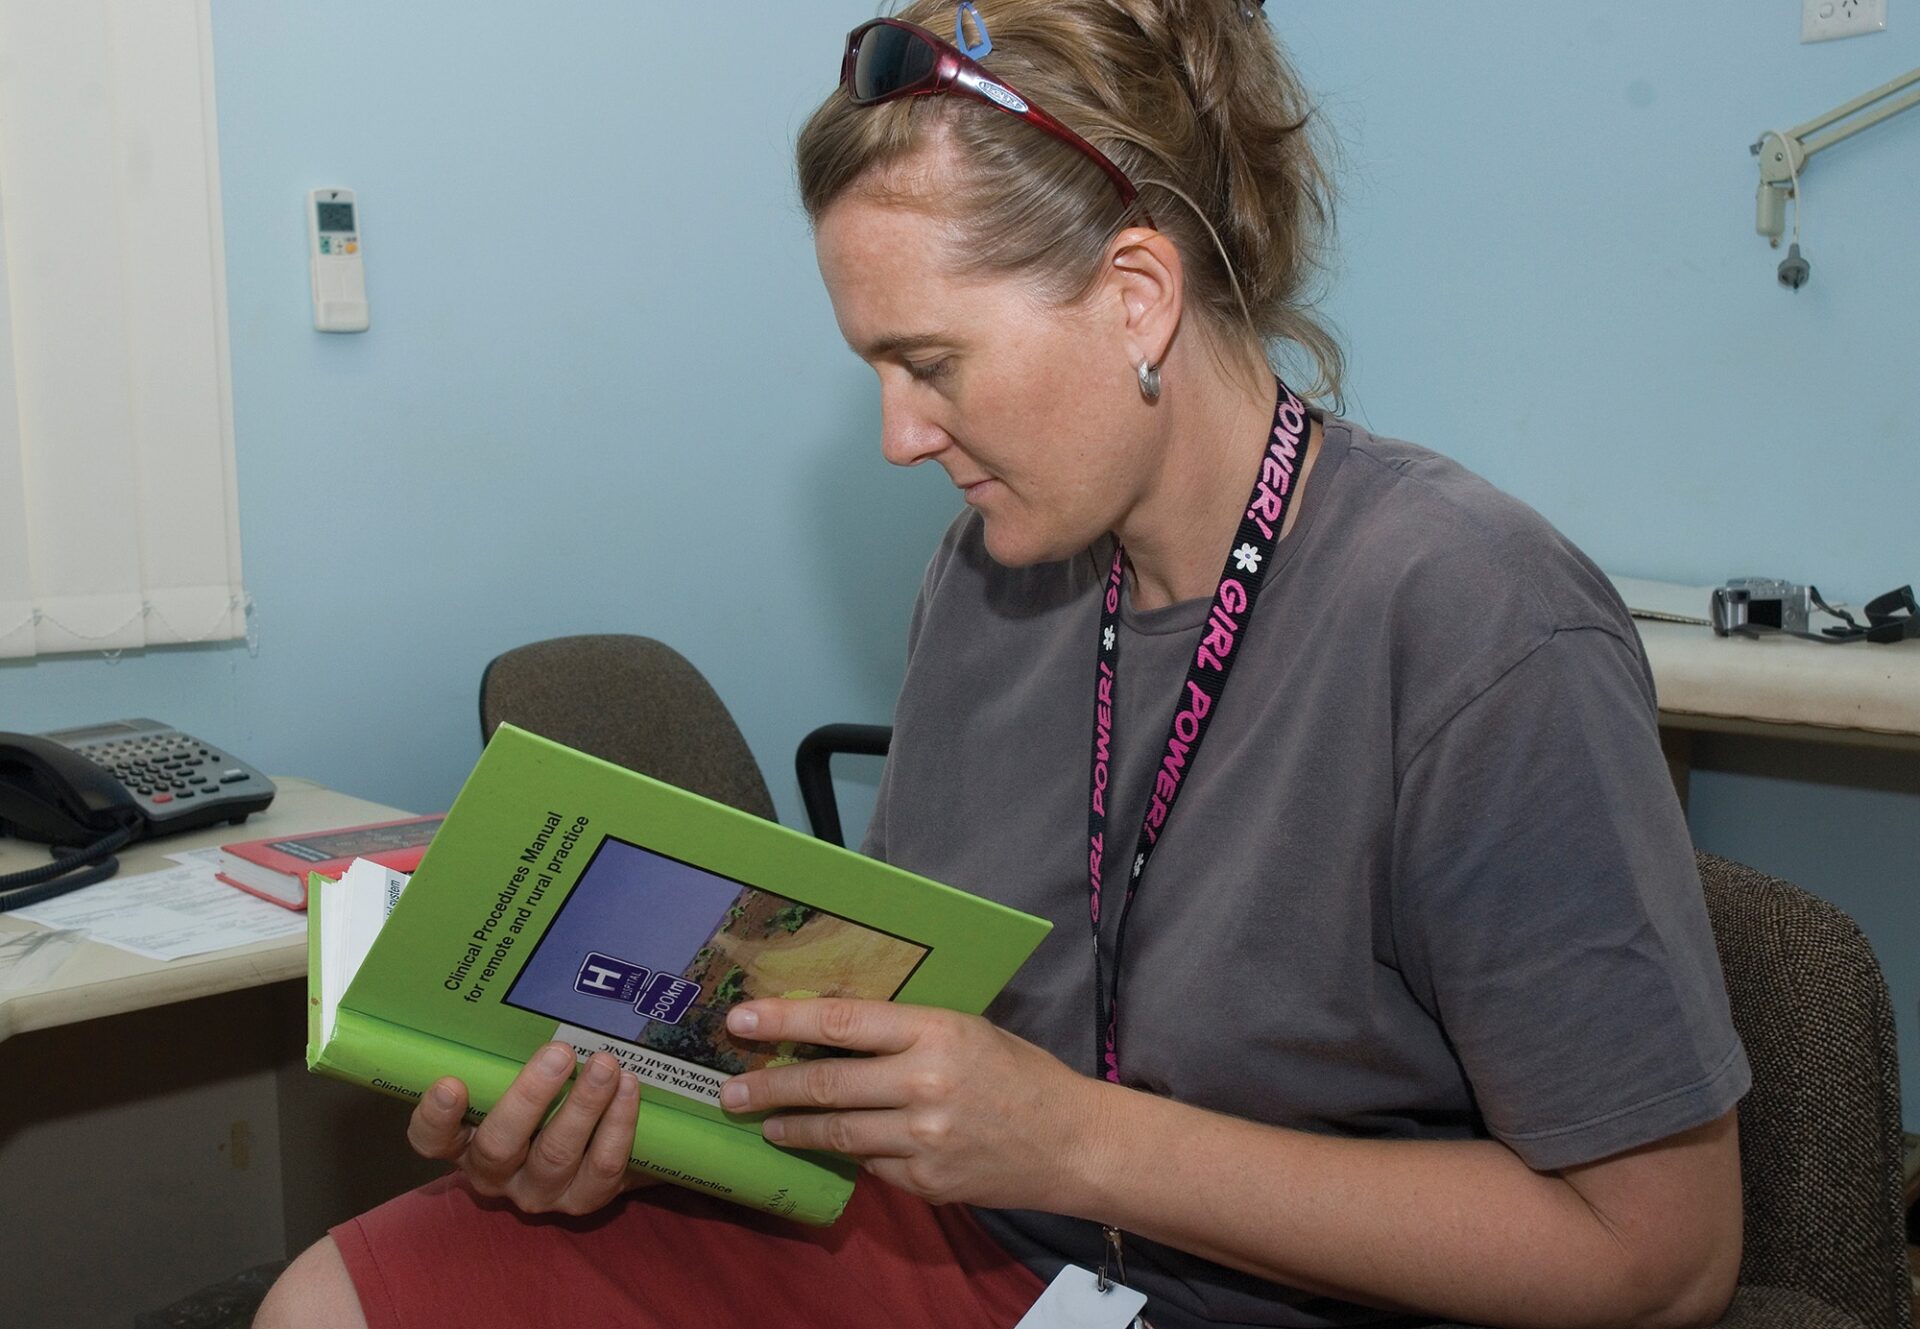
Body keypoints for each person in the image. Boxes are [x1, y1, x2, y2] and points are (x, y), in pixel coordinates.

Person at [258, 3, 1749, 1326]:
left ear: (1137, 298)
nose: (901, 437)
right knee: (336, 1297)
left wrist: (1076, 1140)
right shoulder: (988, 583)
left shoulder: (1476, 620)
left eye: (932, 363)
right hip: (988, 1249)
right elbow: (915, 1067)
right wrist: (627, 1128)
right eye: (874, 375)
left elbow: (1660, 1257)